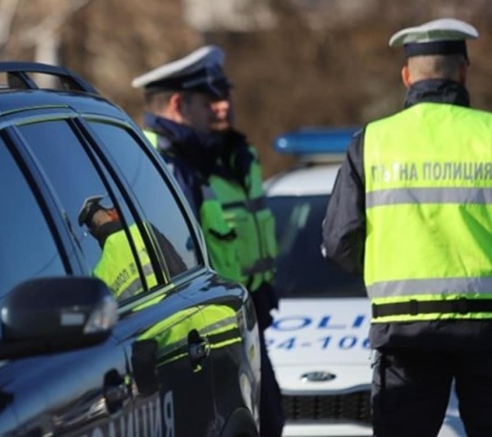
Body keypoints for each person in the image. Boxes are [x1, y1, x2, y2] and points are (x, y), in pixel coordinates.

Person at [322, 18, 492, 437]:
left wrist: (386, 269)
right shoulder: (488, 135)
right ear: (462, 72)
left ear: (406, 77)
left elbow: (339, 240)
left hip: (403, 330)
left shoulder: (372, 142)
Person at [132, 45, 284, 437]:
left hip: (225, 322)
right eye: (206, 101)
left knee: (266, 418)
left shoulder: (197, 158)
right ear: (179, 104)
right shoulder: (163, 165)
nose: (216, 108)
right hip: (196, 336)